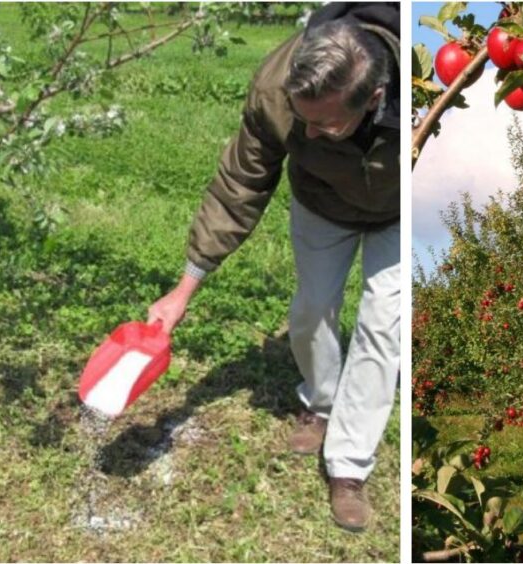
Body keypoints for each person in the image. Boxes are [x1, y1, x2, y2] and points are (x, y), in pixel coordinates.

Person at [147, 2, 400, 532]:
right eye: (301, 119)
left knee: (383, 330)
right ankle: (322, 402)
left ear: (374, 99)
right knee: (310, 311)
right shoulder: (276, 87)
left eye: (325, 124)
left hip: (402, 211)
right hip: (321, 204)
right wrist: (186, 286)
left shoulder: (427, 91)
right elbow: (240, 185)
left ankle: (349, 467)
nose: (306, 135)